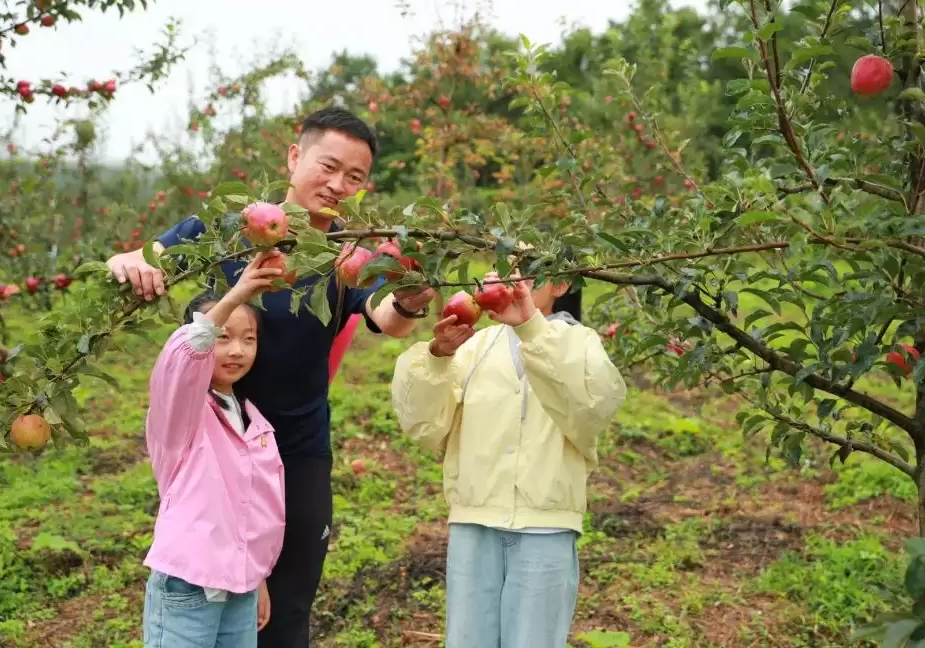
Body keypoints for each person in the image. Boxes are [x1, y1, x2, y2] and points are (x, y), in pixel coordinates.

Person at [108, 107, 435, 647]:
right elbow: (147, 260)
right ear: (293, 157)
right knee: (216, 600)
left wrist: (408, 298)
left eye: (354, 178)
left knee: (287, 614)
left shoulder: (348, 255)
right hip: (216, 451)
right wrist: (127, 261)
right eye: (328, 166)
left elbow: (387, 317)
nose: (337, 185)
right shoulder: (225, 233)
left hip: (299, 450)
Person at [391, 272, 627, 648]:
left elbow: (592, 408)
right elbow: (425, 426)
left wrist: (532, 329)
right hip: (475, 519)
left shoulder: (580, 344)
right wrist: (438, 357)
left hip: (545, 526)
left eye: (535, 269)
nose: (520, 279)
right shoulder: (474, 345)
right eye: (511, 267)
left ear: (562, 285)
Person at [143, 252, 286, 647]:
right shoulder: (181, 413)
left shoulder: (252, 419)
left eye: (248, 339)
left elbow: (251, 509)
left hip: (239, 589)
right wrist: (234, 296)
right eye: (223, 337)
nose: (237, 350)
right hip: (187, 587)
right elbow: (184, 355)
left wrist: (255, 576)